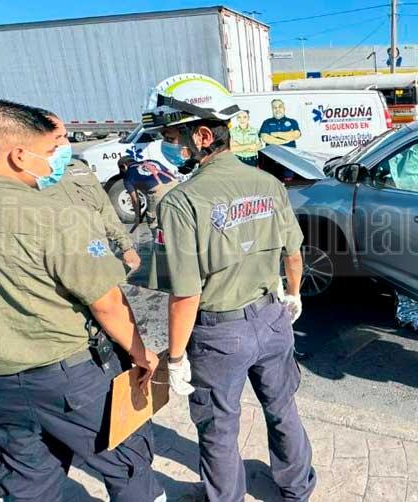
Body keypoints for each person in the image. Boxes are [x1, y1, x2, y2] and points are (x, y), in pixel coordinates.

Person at [0, 100, 164, 501]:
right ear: (19, 155)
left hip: (0, 385)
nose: (56, 157)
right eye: (51, 150)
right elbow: (107, 303)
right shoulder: (55, 217)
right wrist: (142, 356)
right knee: (127, 464)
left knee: (29, 479)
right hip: (75, 379)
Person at [144, 73, 315, 501]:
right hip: (273, 318)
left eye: (173, 137)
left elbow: (186, 293)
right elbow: (294, 252)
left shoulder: (182, 201)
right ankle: (297, 489)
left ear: (203, 136)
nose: (169, 146)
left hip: (220, 336)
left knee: (219, 426)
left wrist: (176, 358)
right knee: (283, 408)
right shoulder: (268, 183)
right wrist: (293, 294)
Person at [45, 114, 141, 273]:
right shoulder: (30, 177)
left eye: (65, 136)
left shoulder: (79, 167)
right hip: (63, 264)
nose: (65, 143)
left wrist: (126, 247)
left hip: (98, 253)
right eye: (57, 137)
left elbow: (105, 209)